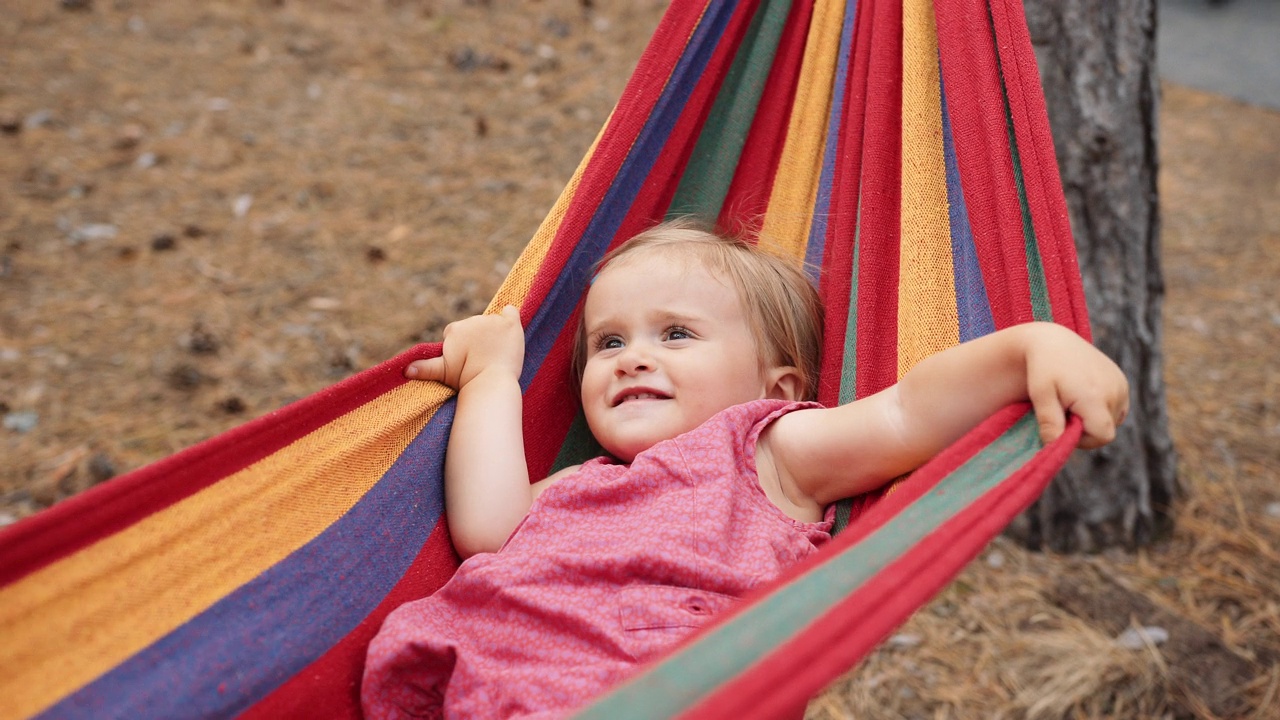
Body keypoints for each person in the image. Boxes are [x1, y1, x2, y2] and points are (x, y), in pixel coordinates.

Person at [361, 219, 1129, 719]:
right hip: (477, 682)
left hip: (646, 691)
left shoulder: (766, 451)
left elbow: (905, 414)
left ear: (778, 388)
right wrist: (495, 378)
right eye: (608, 343)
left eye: (677, 334)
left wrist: (1031, 347)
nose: (635, 357)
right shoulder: (581, 481)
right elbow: (487, 530)